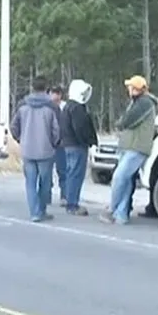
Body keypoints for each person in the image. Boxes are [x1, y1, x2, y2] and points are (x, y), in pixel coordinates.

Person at [100, 75, 156, 225]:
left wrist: (119, 124)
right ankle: (121, 214)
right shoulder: (138, 102)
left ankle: (112, 209)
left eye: (131, 87)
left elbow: (128, 121)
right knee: (126, 181)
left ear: (137, 89)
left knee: (119, 177)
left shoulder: (144, 103)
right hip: (130, 146)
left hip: (136, 147)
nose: (128, 89)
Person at [10, 77, 60, 222]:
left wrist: (21, 139)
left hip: (27, 149)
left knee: (30, 182)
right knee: (45, 182)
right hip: (46, 150)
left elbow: (14, 126)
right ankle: (42, 210)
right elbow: (56, 130)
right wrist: (53, 143)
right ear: (46, 88)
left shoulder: (22, 105)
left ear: (32, 87)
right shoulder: (52, 107)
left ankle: (34, 212)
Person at [59, 79, 98, 216]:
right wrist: (88, 141)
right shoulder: (77, 108)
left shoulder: (68, 106)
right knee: (76, 175)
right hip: (77, 145)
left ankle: (71, 201)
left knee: (71, 174)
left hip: (68, 145)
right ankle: (72, 204)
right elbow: (80, 128)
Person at [49, 86, 67, 207]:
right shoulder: (47, 106)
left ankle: (64, 196)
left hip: (62, 144)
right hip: (49, 144)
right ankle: (46, 195)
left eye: (56, 93)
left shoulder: (65, 107)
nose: (54, 96)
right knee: (46, 172)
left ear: (60, 95)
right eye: (52, 93)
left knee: (63, 171)